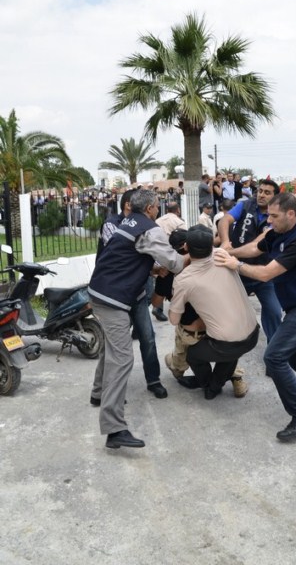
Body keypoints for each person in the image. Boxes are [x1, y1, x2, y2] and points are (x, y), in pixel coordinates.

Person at [215, 192, 296, 442]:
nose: (269, 221)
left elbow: (266, 274)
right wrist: (231, 252)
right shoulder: (278, 232)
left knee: (274, 357)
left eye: (274, 216)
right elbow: (256, 247)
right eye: (268, 216)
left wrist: (235, 265)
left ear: (291, 214)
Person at [88, 189, 187, 449]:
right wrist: (195, 253)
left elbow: (128, 255)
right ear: (152, 208)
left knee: (112, 349)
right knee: (122, 359)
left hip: (103, 292)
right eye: (156, 205)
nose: (157, 208)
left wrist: (152, 269)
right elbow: (176, 263)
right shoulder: (150, 229)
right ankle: (114, 429)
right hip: (113, 299)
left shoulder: (128, 222)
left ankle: (98, 392)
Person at [169, 226, 259, 400]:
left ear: (186, 247)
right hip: (253, 334)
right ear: (212, 245)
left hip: (226, 345)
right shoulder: (222, 255)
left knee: (193, 356)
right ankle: (215, 385)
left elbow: (173, 320)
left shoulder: (184, 279)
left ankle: (210, 386)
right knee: (230, 352)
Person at [217, 179, 282, 342]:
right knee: (227, 312)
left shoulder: (276, 216)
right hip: (236, 272)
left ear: (275, 197)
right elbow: (225, 220)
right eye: (260, 191)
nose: (261, 195)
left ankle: (274, 348)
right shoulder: (245, 205)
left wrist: (230, 252)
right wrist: (225, 241)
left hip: (263, 273)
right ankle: (227, 345)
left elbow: (255, 246)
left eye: (267, 192)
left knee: (274, 311)